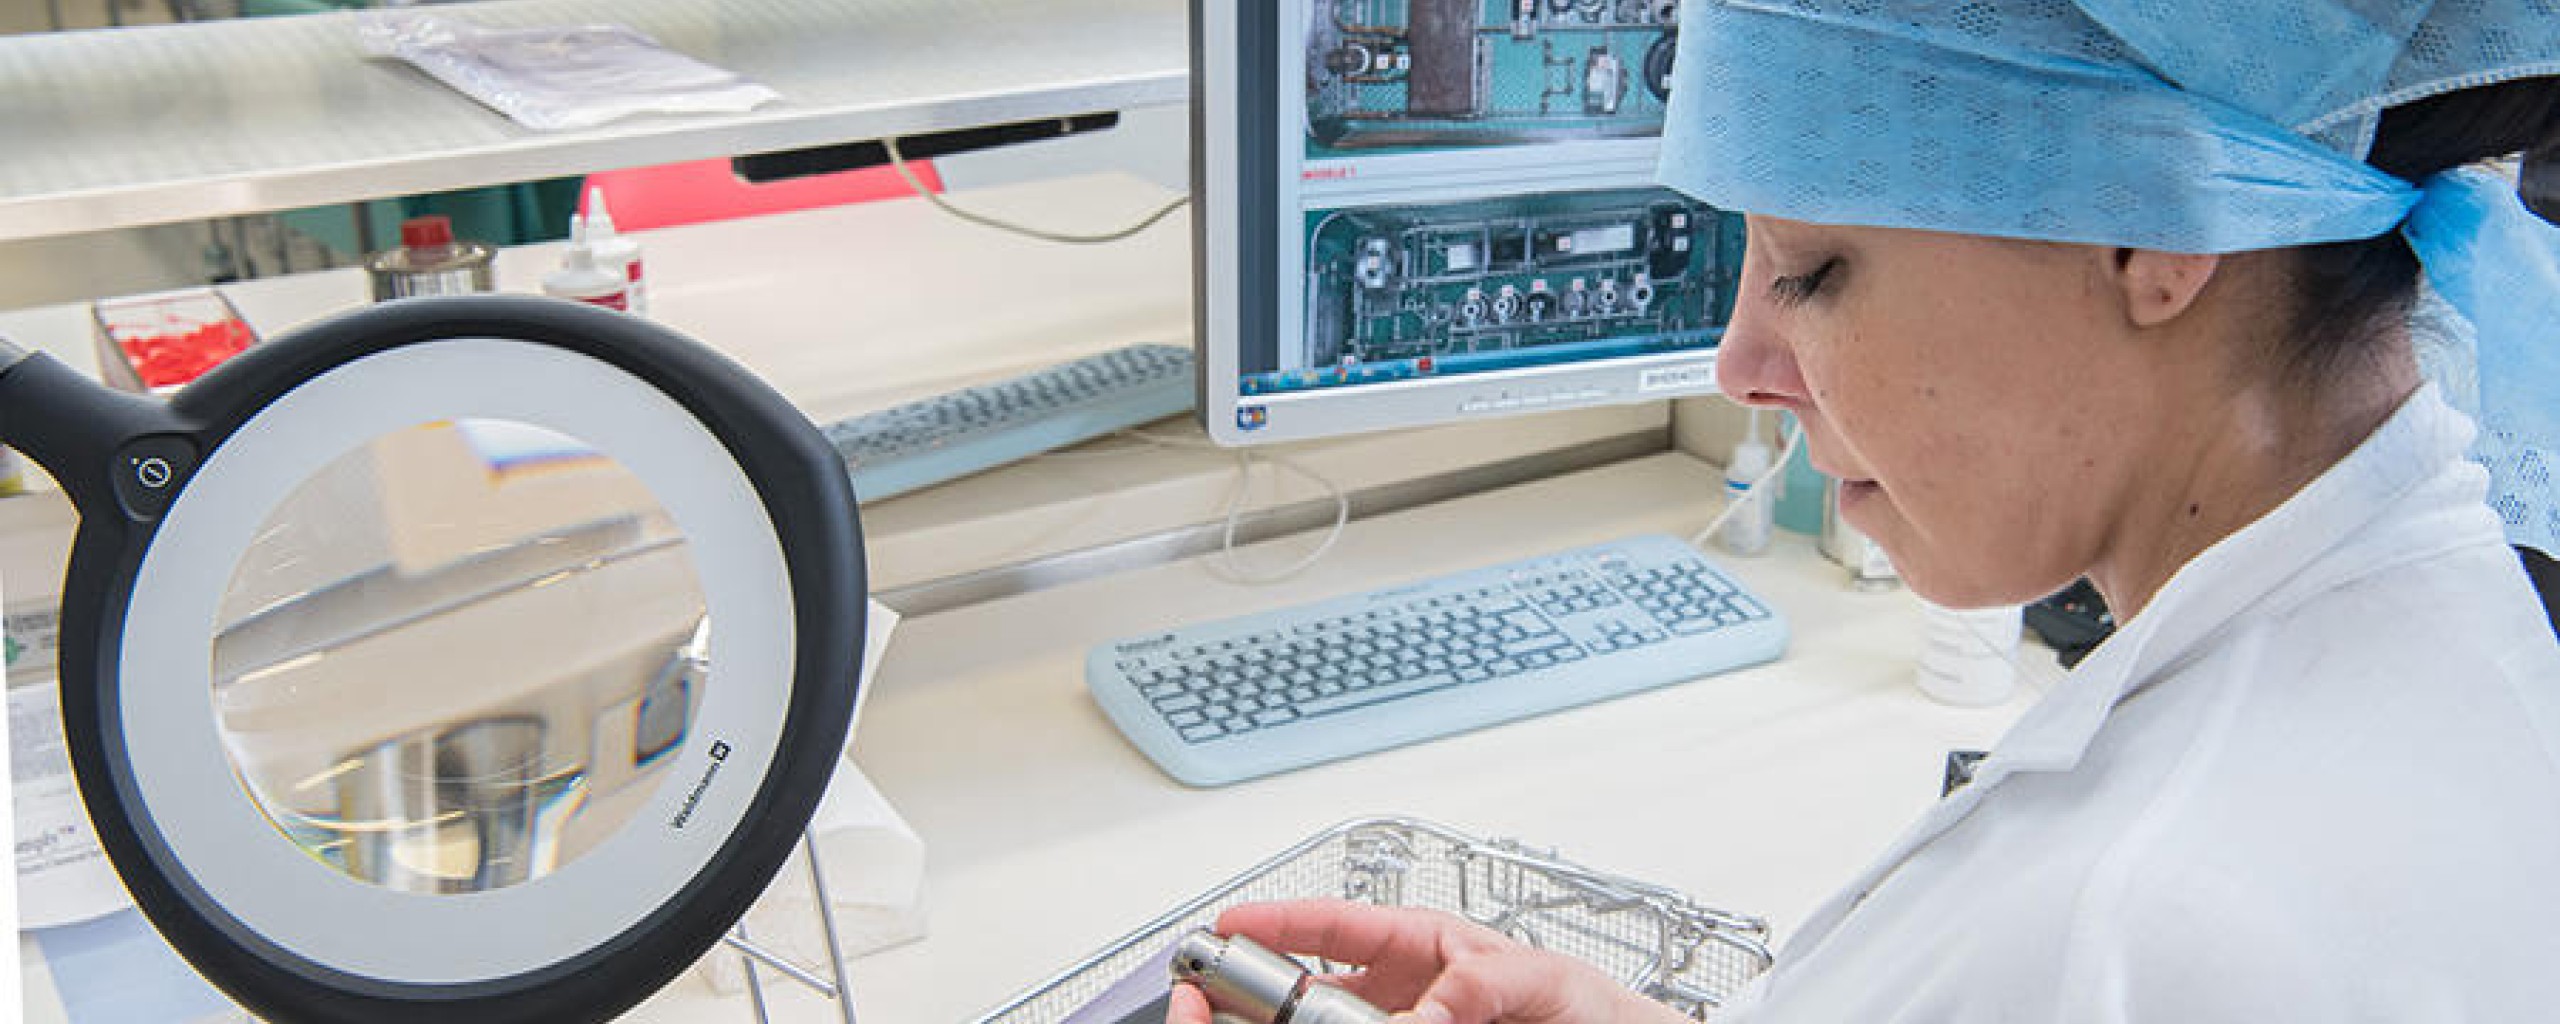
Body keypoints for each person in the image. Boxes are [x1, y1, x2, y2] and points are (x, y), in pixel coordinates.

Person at [1171, 2, 2560, 1021]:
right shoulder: (2440, 631)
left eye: (1811, 270)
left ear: (2153, 234)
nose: (1740, 366)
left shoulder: (2127, 930)